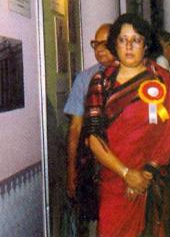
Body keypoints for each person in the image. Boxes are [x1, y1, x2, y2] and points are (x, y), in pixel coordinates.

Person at [81, 14, 170, 237]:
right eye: (122, 39)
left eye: (136, 40)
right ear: (114, 44)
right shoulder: (102, 82)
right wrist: (127, 174)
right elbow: (93, 137)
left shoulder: (161, 78)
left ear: (146, 46)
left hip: (153, 179)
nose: (128, 46)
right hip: (114, 180)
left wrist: (147, 172)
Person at [64, 23, 114, 204]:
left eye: (105, 43)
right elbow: (75, 128)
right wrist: (71, 170)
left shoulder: (131, 76)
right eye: (96, 44)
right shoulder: (85, 79)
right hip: (94, 164)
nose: (99, 50)